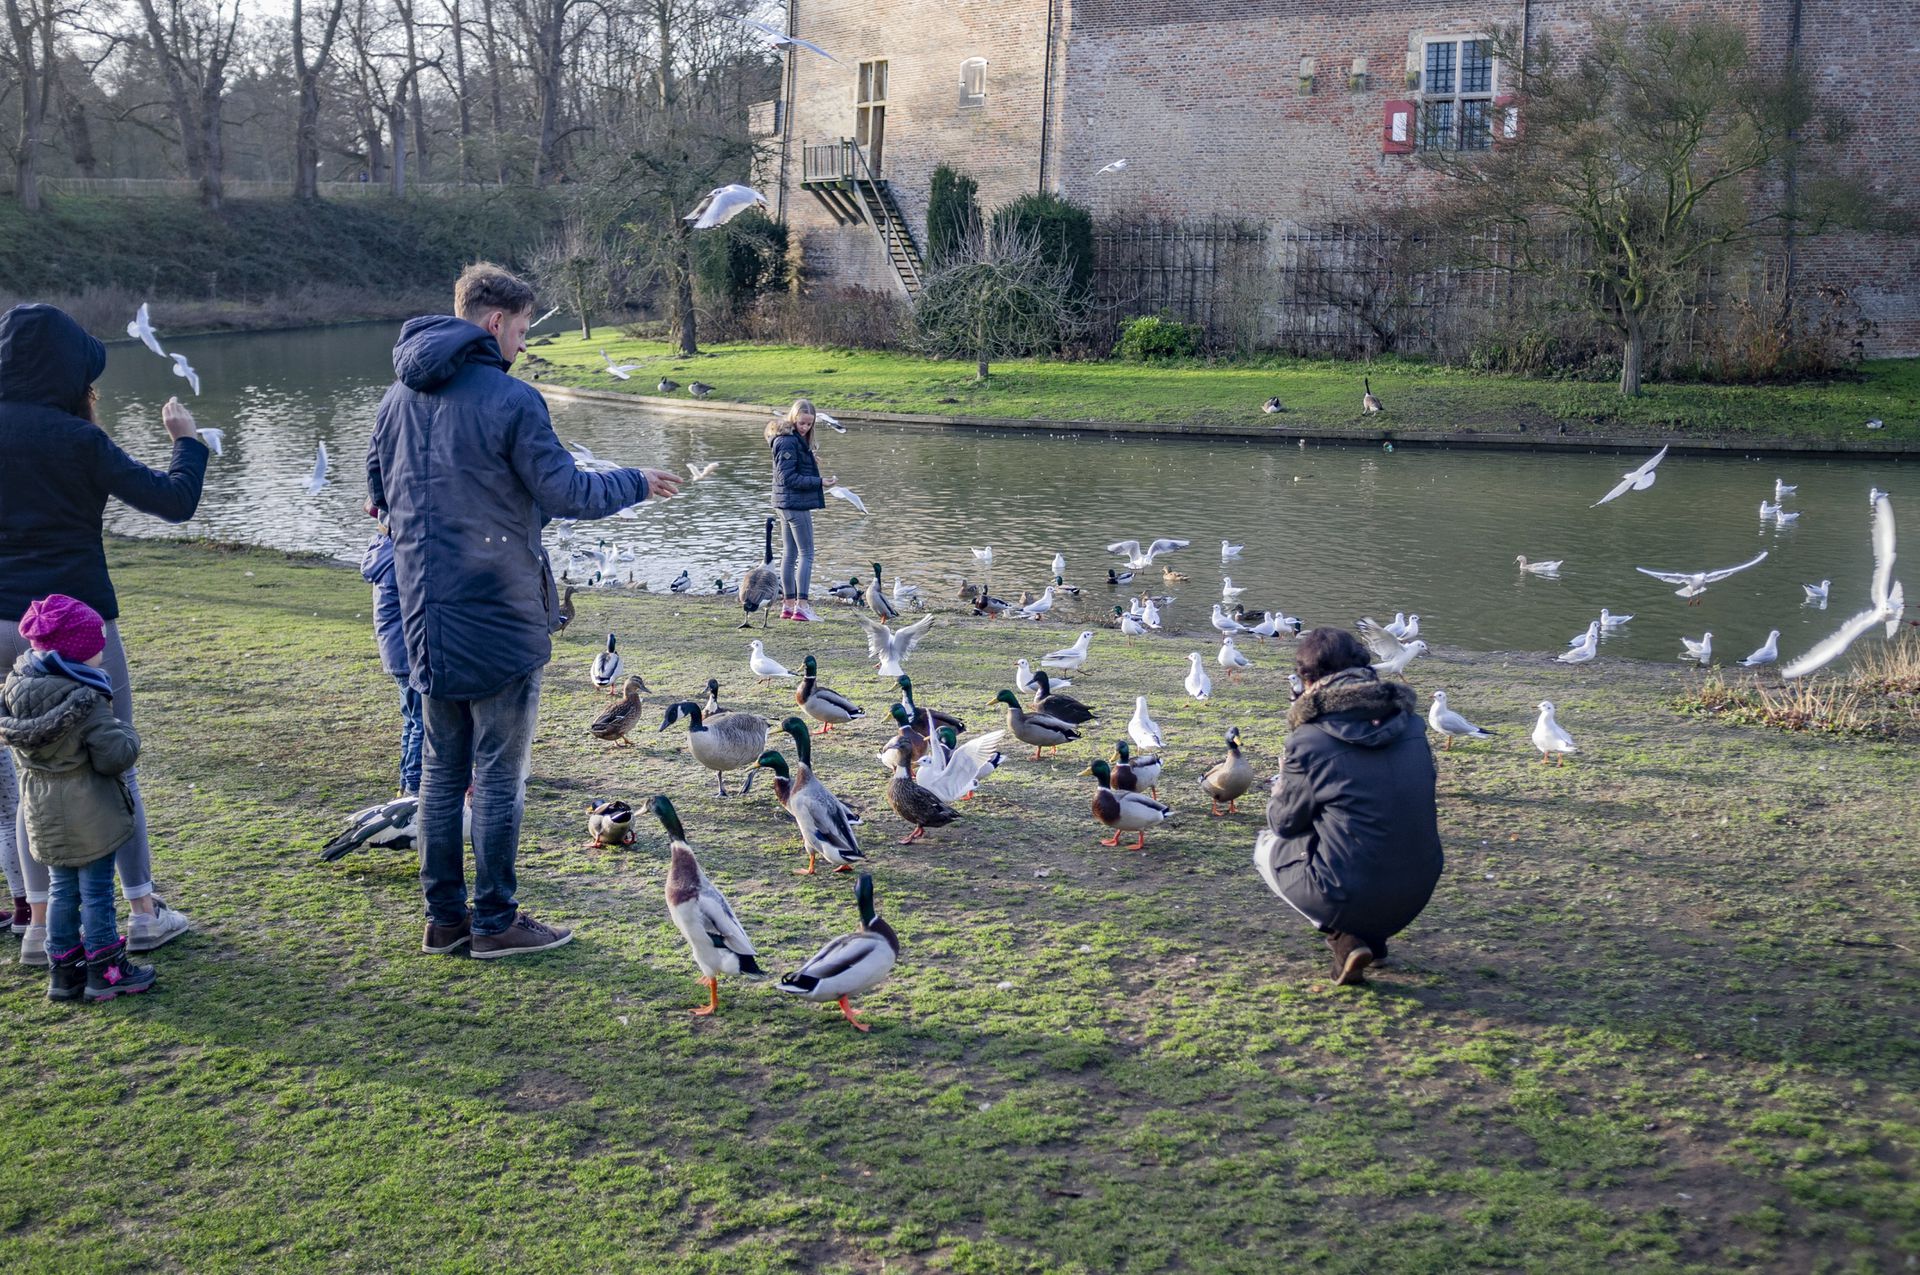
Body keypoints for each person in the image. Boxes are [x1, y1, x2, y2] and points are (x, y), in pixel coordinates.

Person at [367, 262, 682, 959]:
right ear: (492, 323)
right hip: (499, 615)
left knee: (444, 774)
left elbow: (374, 489)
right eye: (521, 329)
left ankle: (444, 919)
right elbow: (567, 489)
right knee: (500, 776)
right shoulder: (512, 401)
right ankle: (494, 920)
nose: (523, 343)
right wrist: (634, 479)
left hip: (424, 613)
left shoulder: (395, 399)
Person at [0, 303, 208, 967]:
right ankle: (143, 911)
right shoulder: (77, 439)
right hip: (79, 631)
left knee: (29, 770)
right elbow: (174, 500)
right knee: (111, 757)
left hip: (0, 630)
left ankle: (37, 926)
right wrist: (187, 439)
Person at [1254, 627, 1443, 985]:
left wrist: (1284, 783)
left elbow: (1284, 823)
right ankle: (1374, 938)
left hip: (1351, 889)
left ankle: (1346, 939)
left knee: (1267, 846)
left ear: (1309, 681)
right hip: (1419, 887)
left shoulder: (1309, 739)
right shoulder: (1414, 726)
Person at [0, 594, 157, 1002]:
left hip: (43, 813)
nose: (102, 653)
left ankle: (63, 971)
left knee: (61, 890)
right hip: (91, 814)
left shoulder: (17, 690)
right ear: (76, 653)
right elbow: (113, 756)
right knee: (96, 893)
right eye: (95, 646)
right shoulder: (85, 700)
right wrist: (128, 735)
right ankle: (105, 969)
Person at [361, 517, 421, 796]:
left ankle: (404, 784)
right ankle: (413, 786)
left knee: (411, 719)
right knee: (421, 721)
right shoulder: (400, 561)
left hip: (396, 654)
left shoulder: (383, 555)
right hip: (409, 654)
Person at [766, 398, 834, 622]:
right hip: (794, 505)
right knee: (806, 554)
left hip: (784, 504)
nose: (805, 427)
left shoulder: (790, 440)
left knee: (790, 554)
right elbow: (788, 477)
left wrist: (809, 458)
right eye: (802, 423)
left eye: (809, 424)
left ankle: (788, 606)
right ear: (793, 418)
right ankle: (802, 606)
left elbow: (789, 467)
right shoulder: (787, 441)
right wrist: (819, 482)